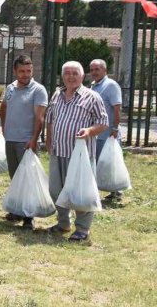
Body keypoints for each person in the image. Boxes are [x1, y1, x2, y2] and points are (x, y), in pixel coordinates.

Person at [45, 61, 108, 242]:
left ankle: (82, 229)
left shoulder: (92, 97)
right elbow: (50, 119)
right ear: (62, 76)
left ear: (82, 76)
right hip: (59, 151)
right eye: (67, 73)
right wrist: (49, 141)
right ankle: (63, 223)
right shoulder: (57, 95)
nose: (70, 76)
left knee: (81, 192)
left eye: (74, 73)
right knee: (56, 190)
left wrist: (89, 131)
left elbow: (103, 123)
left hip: (80, 155)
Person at [0, 54, 48, 228]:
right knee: (15, 178)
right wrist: (5, 129)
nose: (25, 75)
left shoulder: (38, 90)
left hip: (26, 143)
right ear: (15, 71)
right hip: (11, 140)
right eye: (22, 71)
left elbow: (40, 117)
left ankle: (29, 217)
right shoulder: (10, 88)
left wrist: (34, 139)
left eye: (28, 71)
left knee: (28, 179)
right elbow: (4, 107)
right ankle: (18, 211)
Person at [89, 59, 124, 202]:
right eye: (91, 69)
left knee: (110, 163)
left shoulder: (111, 85)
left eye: (97, 69)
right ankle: (105, 189)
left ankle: (117, 191)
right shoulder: (93, 86)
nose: (94, 72)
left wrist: (115, 128)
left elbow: (117, 108)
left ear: (105, 70)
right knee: (98, 163)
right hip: (97, 133)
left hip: (109, 133)